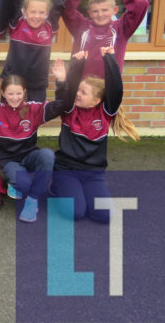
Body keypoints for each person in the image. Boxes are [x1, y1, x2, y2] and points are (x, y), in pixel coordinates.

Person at [0, 53, 84, 222]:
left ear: (25, 92)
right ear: (4, 94)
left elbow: (61, 105)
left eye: (18, 93)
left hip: (29, 156)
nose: (15, 98)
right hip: (8, 160)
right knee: (24, 184)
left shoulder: (33, 109)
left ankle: (32, 201)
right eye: (11, 94)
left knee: (48, 155)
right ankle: (19, 182)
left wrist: (61, 81)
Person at [51, 47, 139, 223]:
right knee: (76, 213)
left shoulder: (105, 113)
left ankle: (82, 192)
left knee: (104, 216)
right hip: (67, 171)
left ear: (97, 101)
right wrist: (77, 64)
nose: (78, 94)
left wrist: (109, 58)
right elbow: (66, 94)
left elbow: (116, 90)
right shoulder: (70, 110)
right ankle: (57, 187)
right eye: (78, 90)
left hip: (93, 174)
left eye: (83, 93)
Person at [0, 0, 75, 102]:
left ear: (47, 13)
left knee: (32, 123)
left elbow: (60, 1)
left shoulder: (49, 26)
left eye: (41, 13)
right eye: (33, 12)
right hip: (13, 82)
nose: (37, 16)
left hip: (37, 85)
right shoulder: (18, 23)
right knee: (7, 120)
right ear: (25, 11)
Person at [61, 0, 149, 78]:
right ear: (89, 13)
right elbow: (66, 8)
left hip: (108, 87)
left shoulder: (122, 29)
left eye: (105, 10)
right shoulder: (81, 26)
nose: (100, 14)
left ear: (115, 10)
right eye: (95, 11)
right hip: (79, 86)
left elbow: (141, 4)